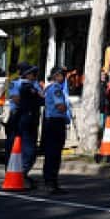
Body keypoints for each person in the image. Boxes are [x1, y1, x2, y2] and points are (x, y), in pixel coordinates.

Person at [41, 66, 72, 194]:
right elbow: (60, 106)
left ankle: (49, 181)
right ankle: (51, 182)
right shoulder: (56, 90)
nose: (63, 78)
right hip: (55, 123)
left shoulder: (49, 88)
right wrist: (66, 109)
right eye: (61, 75)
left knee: (51, 153)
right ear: (56, 76)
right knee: (54, 154)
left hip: (51, 122)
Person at [14, 64, 44, 183]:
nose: (35, 76)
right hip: (27, 119)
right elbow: (41, 99)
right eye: (33, 74)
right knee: (29, 149)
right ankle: (22, 173)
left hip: (28, 119)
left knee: (27, 148)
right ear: (27, 74)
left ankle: (22, 173)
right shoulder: (26, 87)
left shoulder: (30, 86)